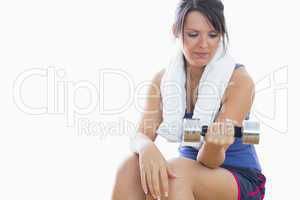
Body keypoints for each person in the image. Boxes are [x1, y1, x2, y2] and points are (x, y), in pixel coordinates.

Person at [112, 0, 266, 199]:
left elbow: (209, 161)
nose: (203, 44)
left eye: (213, 35)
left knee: (176, 174)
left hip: (236, 177)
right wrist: (146, 147)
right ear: (176, 31)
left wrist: (213, 145)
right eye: (193, 34)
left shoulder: (239, 81)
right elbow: (141, 135)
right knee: (129, 167)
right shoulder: (163, 80)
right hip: (187, 169)